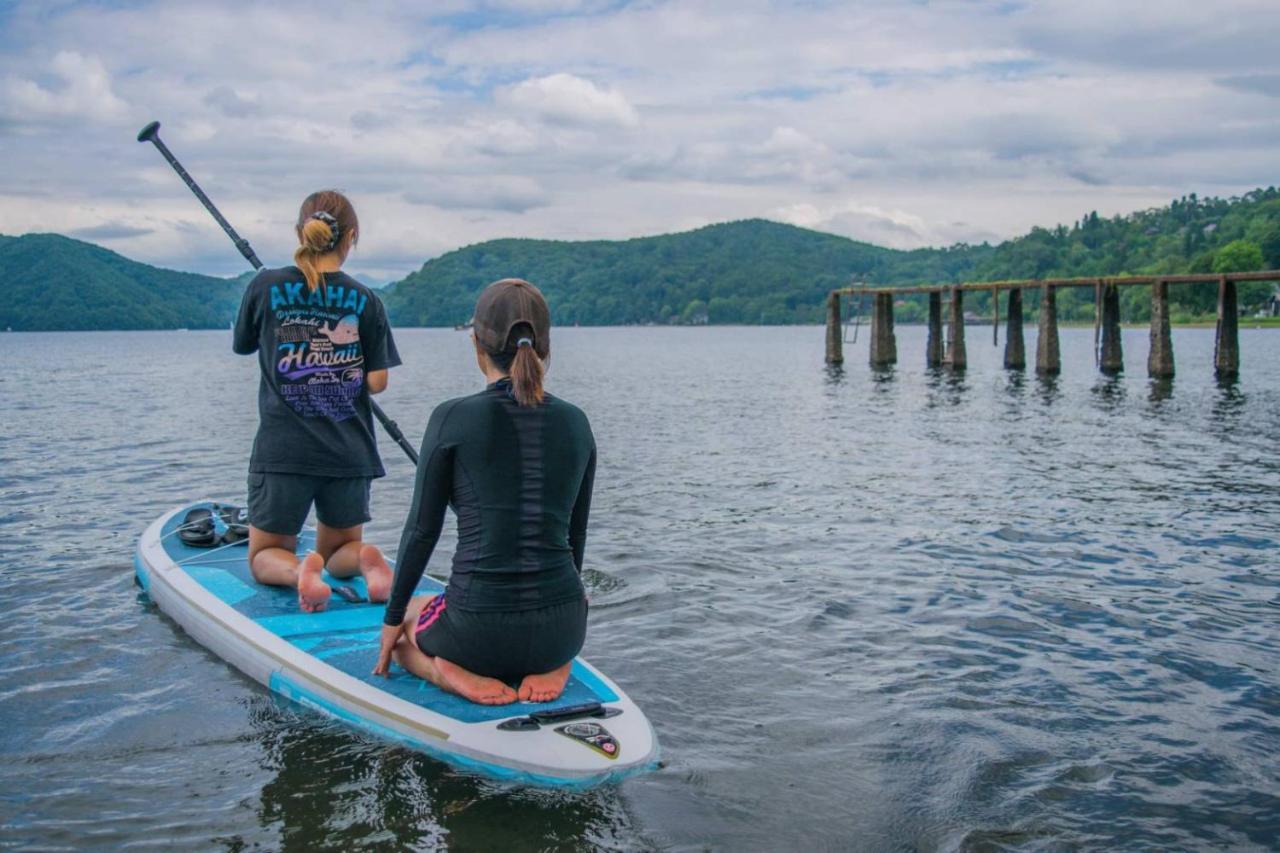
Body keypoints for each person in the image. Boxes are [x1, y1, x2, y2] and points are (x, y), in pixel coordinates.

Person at [373, 279, 595, 705]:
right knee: (440, 606)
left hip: (475, 633)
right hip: (564, 628)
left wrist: (391, 620)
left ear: (477, 344)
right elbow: (575, 537)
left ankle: (449, 672)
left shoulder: (452, 418)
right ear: (545, 347)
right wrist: (561, 624)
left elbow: (422, 530)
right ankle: (555, 662)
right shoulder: (577, 422)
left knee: (406, 630)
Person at [232, 190, 400, 612]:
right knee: (342, 548)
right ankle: (363, 559)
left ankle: (297, 572)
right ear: (352, 237)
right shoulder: (366, 300)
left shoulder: (266, 285)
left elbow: (244, 344)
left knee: (264, 554)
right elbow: (377, 382)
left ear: (300, 231)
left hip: (283, 451)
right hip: (349, 450)